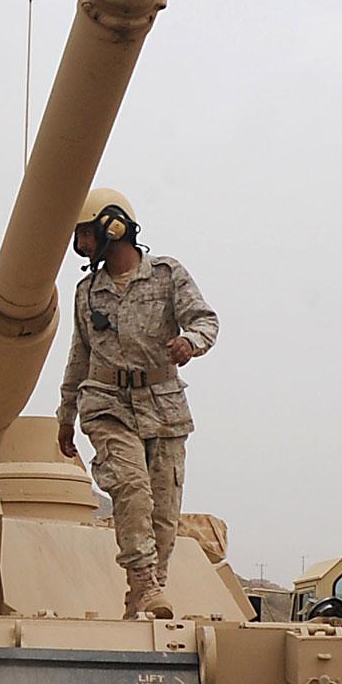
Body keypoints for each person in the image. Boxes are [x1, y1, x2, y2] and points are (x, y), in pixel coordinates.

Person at [55, 188, 219, 620]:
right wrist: (66, 416)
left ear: (114, 226)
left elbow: (205, 319)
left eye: (87, 233)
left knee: (164, 516)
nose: (81, 244)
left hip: (163, 407)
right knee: (131, 490)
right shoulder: (87, 291)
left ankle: (144, 601)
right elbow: (80, 354)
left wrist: (190, 342)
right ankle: (145, 585)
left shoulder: (166, 276)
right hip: (106, 403)